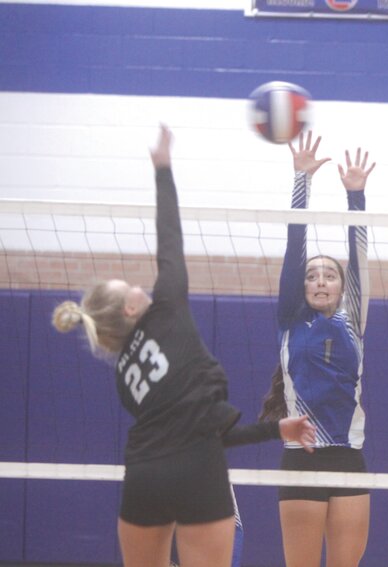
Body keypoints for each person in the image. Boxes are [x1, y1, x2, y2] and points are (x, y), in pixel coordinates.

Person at [51, 125, 317, 567]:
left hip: (143, 475)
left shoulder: (124, 377)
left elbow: (194, 426)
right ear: (131, 310)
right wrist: (163, 169)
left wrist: (276, 429)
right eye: (131, 287)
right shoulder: (168, 306)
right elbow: (169, 237)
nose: (142, 286)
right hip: (198, 470)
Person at [259, 130, 375, 567]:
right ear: (302, 287)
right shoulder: (291, 320)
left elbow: (358, 254)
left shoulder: (353, 320)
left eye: (329, 275)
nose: (321, 280)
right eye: (312, 276)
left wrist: (356, 197)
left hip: (348, 456)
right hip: (301, 457)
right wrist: (301, 180)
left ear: (342, 287)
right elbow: (295, 245)